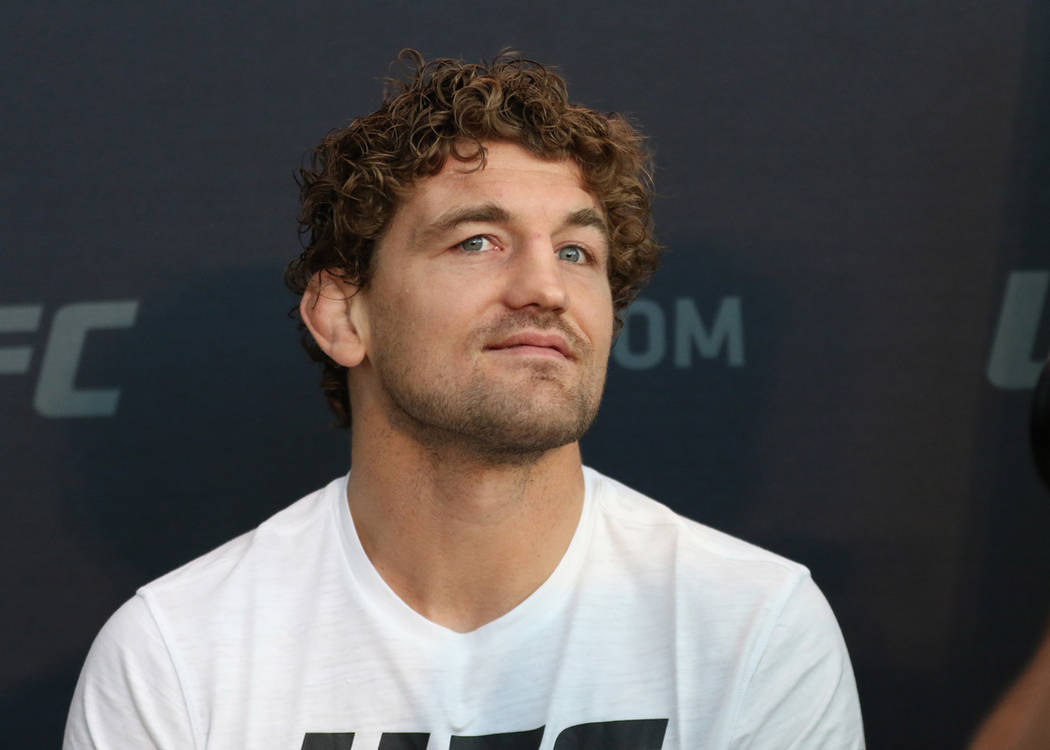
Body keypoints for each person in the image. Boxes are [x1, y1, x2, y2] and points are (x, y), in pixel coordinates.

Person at [63, 50, 865, 749]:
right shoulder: (177, 653)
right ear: (345, 314)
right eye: (477, 241)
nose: (546, 287)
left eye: (578, 251)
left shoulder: (752, 625)